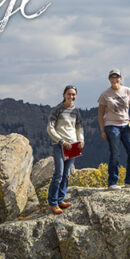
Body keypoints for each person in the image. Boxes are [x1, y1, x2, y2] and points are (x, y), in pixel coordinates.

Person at [97, 69, 130, 189]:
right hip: (111, 125)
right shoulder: (105, 94)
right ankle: (112, 182)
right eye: (112, 77)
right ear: (109, 79)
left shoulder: (127, 91)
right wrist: (102, 130)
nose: (114, 79)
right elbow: (100, 114)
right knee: (115, 153)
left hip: (126, 125)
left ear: (120, 78)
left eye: (117, 77)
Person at [46, 85, 84, 214]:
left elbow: (79, 127)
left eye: (73, 94)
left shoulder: (75, 111)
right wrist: (61, 141)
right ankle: (53, 203)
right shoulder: (57, 110)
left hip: (73, 146)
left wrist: (81, 140)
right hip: (60, 145)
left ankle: (60, 199)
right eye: (69, 94)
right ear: (64, 95)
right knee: (59, 174)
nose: (71, 97)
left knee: (67, 174)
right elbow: (50, 128)